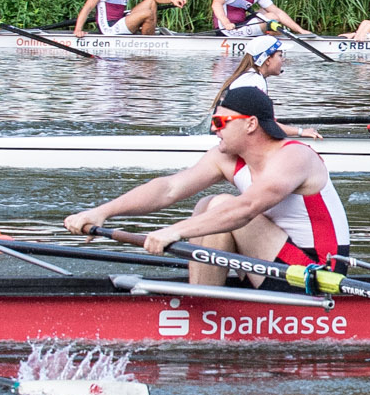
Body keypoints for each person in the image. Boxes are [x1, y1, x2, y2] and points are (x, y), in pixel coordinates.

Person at [65, 85, 348, 280]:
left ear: (250, 124)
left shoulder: (294, 156)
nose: (214, 129)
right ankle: (202, 299)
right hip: (272, 264)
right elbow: (169, 189)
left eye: (220, 121)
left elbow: (246, 208)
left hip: (317, 271)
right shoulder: (226, 158)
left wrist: (174, 231)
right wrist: (101, 212)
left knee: (222, 204)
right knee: (205, 205)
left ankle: (202, 310)